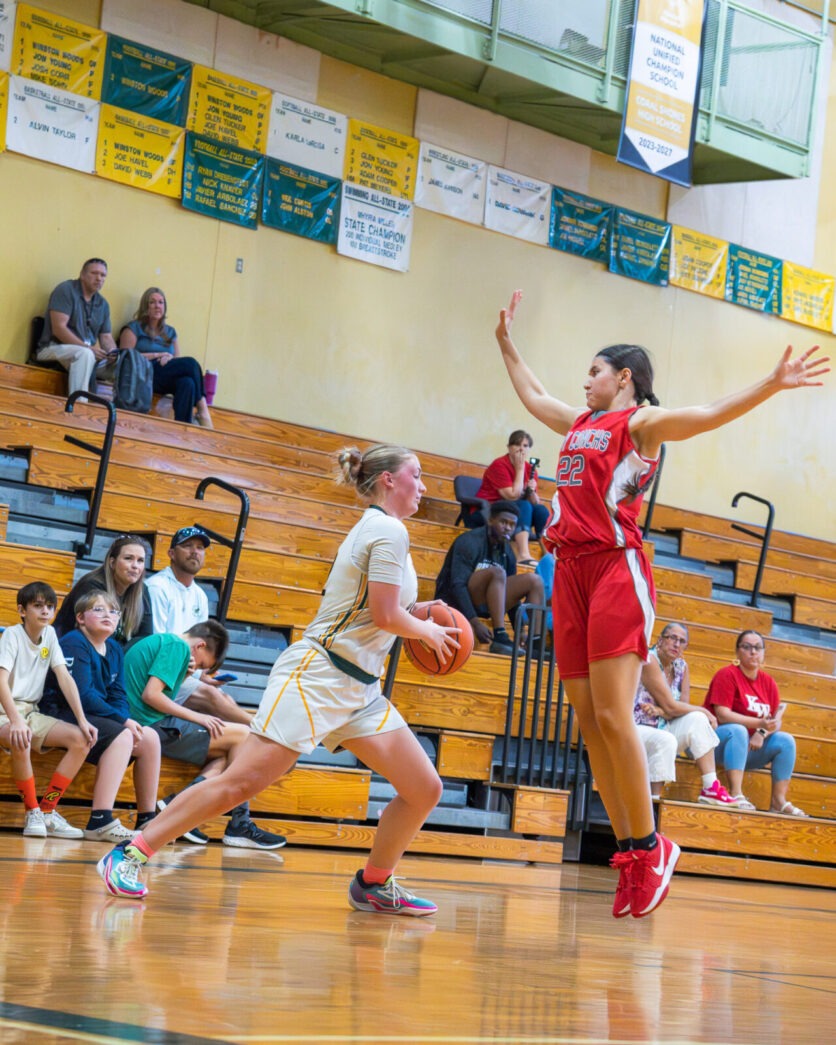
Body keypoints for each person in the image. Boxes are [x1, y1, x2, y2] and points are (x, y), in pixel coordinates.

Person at [494, 288, 828, 918]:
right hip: (569, 571)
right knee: (589, 725)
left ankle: (652, 846)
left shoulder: (639, 424)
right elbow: (534, 397)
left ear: (623, 378)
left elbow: (705, 413)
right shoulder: (580, 423)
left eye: (594, 370)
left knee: (617, 718)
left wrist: (772, 383)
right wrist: (506, 344)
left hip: (617, 569)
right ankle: (631, 853)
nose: (584, 380)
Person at [98, 444, 461, 906]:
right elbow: (385, 614)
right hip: (320, 674)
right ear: (389, 479)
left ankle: (373, 882)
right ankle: (130, 852)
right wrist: (425, 628)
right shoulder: (387, 530)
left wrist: (424, 615)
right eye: (417, 474)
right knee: (241, 782)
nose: (424, 485)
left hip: (359, 685)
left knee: (424, 788)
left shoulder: (387, 532)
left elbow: (379, 612)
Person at [123, 623, 286, 850]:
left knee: (229, 754)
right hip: (152, 725)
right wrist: (199, 718)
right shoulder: (177, 646)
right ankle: (231, 820)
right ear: (199, 645)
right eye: (201, 663)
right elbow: (151, 695)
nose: (197, 666)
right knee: (245, 735)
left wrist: (186, 673)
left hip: (146, 721)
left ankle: (180, 805)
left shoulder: (166, 642)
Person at [41, 590, 162, 841]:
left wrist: (126, 718)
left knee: (149, 737)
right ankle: (100, 820)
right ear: (81, 618)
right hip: (61, 712)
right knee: (122, 735)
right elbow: (83, 696)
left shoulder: (115, 649)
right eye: (98, 609)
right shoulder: (74, 642)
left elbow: (118, 694)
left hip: (96, 716)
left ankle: (147, 819)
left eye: (113, 611)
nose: (108, 614)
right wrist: (122, 722)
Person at [0, 582, 97, 838]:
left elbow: (65, 677)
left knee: (81, 739)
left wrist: (82, 720)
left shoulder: (51, 635)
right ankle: (31, 811)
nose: (45, 611)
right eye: (38, 605)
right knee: (22, 736)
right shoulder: (12, 635)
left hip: (30, 712)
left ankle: (47, 809)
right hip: (4, 712)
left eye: (50, 606)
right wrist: (15, 720)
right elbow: (0, 681)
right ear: (22, 610)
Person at [146, 525, 252, 724]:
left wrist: (203, 674)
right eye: (187, 546)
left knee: (225, 699)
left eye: (200, 548)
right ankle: (264, 731)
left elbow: (198, 644)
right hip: (158, 676)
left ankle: (253, 743)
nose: (195, 551)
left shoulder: (200, 596)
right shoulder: (156, 587)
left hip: (183, 674)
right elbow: (155, 643)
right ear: (171, 553)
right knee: (214, 698)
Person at [704, 630, 808, 816]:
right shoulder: (727, 675)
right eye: (747, 647)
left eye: (758, 648)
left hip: (748, 749)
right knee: (738, 730)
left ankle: (778, 801)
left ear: (763, 653)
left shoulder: (768, 682)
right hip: (717, 745)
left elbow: (775, 721)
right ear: (737, 652)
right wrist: (759, 723)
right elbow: (723, 715)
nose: (753, 652)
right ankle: (736, 793)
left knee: (786, 741)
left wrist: (761, 733)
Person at [633, 622, 736, 806]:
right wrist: (704, 710)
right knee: (667, 739)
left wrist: (662, 711)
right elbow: (674, 707)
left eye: (682, 641)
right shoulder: (649, 659)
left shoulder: (682, 666)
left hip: (664, 724)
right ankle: (653, 802)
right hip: (637, 728)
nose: (676, 644)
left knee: (696, 719)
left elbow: (683, 709)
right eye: (672, 638)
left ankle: (710, 787)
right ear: (660, 640)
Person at [434, 500, 544, 654]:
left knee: (534, 580)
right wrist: (474, 622)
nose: (508, 528)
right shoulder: (469, 541)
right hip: (456, 602)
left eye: (512, 525)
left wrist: (519, 631)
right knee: (498, 572)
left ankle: (535, 644)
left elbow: (512, 595)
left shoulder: (508, 551)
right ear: (491, 520)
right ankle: (499, 636)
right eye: (503, 522)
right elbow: (457, 585)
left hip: (489, 603)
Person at [119, 287, 213, 427]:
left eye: (161, 302)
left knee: (187, 382)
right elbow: (125, 357)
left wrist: (169, 358)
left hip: (165, 373)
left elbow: (177, 360)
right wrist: (158, 354)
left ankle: (182, 428)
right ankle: (202, 409)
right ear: (145, 306)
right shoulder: (133, 328)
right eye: (152, 302)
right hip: (145, 374)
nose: (157, 306)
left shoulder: (170, 332)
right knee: (191, 363)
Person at [37, 258, 118, 395]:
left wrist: (113, 354)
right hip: (52, 348)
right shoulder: (66, 290)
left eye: (103, 275)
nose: (99, 278)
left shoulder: (103, 304)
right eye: (94, 273)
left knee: (125, 364)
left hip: (88, 355)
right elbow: (59, 329)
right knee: (85, 354)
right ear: (82, 274)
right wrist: (88, 348)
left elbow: (106, 337)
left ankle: (121, 413)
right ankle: (79, 406)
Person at [54, 535, 154, 646]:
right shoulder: (91, 586)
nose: (135, 566)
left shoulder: (142, 591)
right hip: (74, 650)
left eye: (140, 560)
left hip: (112, 653)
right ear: (112, 563)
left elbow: (145, 639)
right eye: (128, 558)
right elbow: (96, 635)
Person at [476, 429, 550, 565]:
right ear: (509, 448)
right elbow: (511, 496)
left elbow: (534, 502)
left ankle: (548, 556)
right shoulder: (499, 465)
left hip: (518, 508)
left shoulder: (531, 468)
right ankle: (523, 554)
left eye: (526, 446)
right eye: (517, 445)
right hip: (492, 508)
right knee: (524, 506)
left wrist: (532, 490)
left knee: (541, 510)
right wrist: (520, 469)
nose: (521, 449)